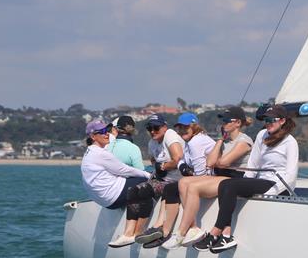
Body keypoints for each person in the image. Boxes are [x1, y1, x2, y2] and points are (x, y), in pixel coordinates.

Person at [198, 104, 298, 253]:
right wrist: (243, 182)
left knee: (230, 186)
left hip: (278, 185)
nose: (268, 123)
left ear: (282, 121)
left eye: (272, 120)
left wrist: (270, 194)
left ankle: (215, 233)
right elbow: (253, 163)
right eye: (266, 120)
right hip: (261, 180)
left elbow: (290, 176)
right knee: (226, 184)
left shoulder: (290, 142)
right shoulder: (262, 135)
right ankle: (226, 235)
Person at [169, 106, 254, 248]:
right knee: (183, 182)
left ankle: (180, 233)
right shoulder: (224, 142)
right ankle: (192, 227)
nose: (224, 123)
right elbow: (210, 163)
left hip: (235, 179)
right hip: (221, 177)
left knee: (194, 187)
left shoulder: (244, 141)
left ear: (238, 123)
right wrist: (220, 140)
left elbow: (223, 162)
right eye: (223, 121)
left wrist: (218, 160)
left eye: (227, 120)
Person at [138, 112, 216, 249]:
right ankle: (165, 232)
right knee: (170, 188)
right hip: (206, 178)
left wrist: (178, 168)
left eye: (185, 127)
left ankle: (188, 229)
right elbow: (181, 162)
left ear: (195, 126)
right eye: (179, 128)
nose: (181, 131)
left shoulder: (196, 142)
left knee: (181, 185)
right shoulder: (189, 142)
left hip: (211, 180)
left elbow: (199, 174)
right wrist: (182, 167)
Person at [80, 119, 153, 248]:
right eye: (101, 132)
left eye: (107, 130)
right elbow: (124, 170)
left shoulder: (91, 151)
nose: (106, 134)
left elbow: (110, 143)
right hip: (113, 197)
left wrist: (112, 134)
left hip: (104, 200)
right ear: (92, 136)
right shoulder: (100, 154)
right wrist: (149, 175)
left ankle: (130, 232)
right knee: (146, 184)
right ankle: (135, 232)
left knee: (136, 183)